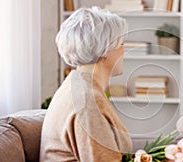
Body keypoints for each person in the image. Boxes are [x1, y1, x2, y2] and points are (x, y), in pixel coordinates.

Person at [40, 7, 132, 162]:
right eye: (121, 44)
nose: (124, 51)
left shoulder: (78, 84)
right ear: (105, 50)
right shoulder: (88, 102)